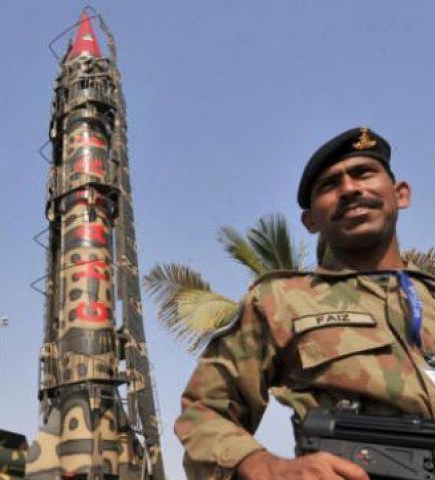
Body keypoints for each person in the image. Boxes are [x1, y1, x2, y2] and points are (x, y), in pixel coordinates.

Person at [175, 127, 435, 480]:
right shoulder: (279, 301)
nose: (350, 189)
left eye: (363, 173)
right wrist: (265, 468)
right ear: (310, 220)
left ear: (400, 194)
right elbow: (204, 411)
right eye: (330, 185)